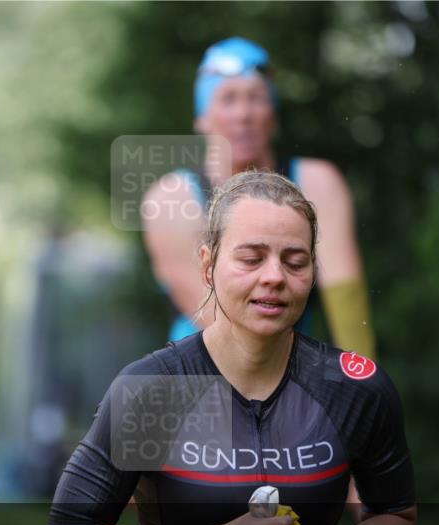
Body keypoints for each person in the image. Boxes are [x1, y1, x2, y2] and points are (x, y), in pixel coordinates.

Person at [48, 171, 416, 525]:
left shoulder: (356, 388)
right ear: (208, 264)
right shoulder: (152, 389)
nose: (274, 277)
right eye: (251, 258)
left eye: (295, 261)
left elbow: (396, 515)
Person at [142, 37, 375, 360]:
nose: (243, 114)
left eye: (256, 98)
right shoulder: (171, 198)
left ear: (273, 116)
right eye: (227, 99)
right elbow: (219, 318)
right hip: (200, 379)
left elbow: (346, 300)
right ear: (202, 119)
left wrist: (362, 380)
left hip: (292, 371)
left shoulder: (317, 183)